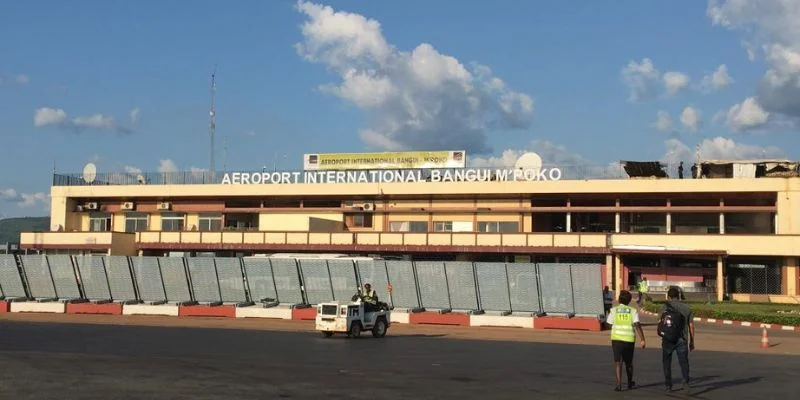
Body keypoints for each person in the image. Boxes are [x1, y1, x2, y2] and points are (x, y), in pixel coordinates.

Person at [606, 290, 646, 392]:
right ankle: (629, 383)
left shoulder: (613, 310)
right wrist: (642, 339)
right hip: (629, 339)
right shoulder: (633, 311)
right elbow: (637, 325)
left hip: (616, 339)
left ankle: (619, 385)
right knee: (628, 362)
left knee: (617, 362)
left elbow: (609, 323)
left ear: (619, 300)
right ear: (629, 301)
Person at [659, 286, 695, 393]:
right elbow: (691, 325)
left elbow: (661, 322)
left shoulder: (663, 307)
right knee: (684, 362)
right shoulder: (686, 308)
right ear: (678, 296)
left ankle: (668, 385)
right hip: (682, 339)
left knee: (667, 362)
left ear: (668, 297)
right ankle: (685, 382)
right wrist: (692, 341)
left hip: (667, 339)